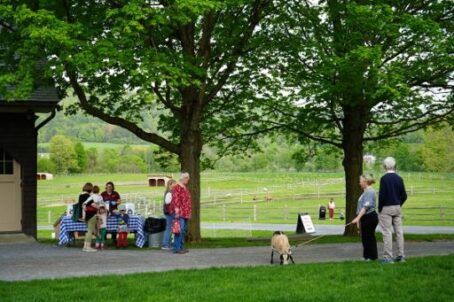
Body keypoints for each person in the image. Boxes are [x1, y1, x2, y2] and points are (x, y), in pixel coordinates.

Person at [378, 157, 407, 263]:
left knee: (387, 232)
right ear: (395, 166)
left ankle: (388, 257)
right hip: (397, 207)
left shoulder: (384, 179)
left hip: (386, 207)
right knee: (399, 232)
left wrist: (379, 208)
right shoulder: (399, 178)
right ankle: (401, 255)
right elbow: (404, 195)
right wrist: (399, 204)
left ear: (385, 166)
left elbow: (382, 195)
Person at [350, 175, 379, 261]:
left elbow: (366, 207)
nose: (359, 183)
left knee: (369, 237)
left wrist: (357, 218)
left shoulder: (370, 192)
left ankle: (372, 257)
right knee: (365, 237)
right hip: (365, 217)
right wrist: (359, 219)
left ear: (365, 182)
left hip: (370, 217)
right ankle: (366, 256)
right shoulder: (366, 192)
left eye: (360, 181)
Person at [170, 172, 192, 254]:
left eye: (188, 178)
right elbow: (176, 199)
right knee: (179, 230)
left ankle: (181, 247)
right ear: (182, 178)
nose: (188, 179)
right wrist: (176, 210)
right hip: (180, 212)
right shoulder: (177, 187)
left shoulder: (185, 187)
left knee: (183, 230)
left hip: (186, 212)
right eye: (186, 177)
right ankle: (177, 248)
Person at [82, 186, 99, 252]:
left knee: (88, 231)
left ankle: (85, 246)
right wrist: (99, 207)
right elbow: (94, 205)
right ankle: (88, 247)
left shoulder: (81, 196)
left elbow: (83, 205)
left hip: (86, 215)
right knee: (90, 231)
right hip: (91, 215)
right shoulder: (89, 197)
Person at [162, 179, 177, 250]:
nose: (175, 185)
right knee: (169, 228)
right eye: (174, 184)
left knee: (170, 228)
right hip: (170, 212)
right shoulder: (169, 193)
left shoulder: (171, 192)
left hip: (171, 212)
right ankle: (165, 244)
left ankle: (168, 243)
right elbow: (167, 202)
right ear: (170, 185)